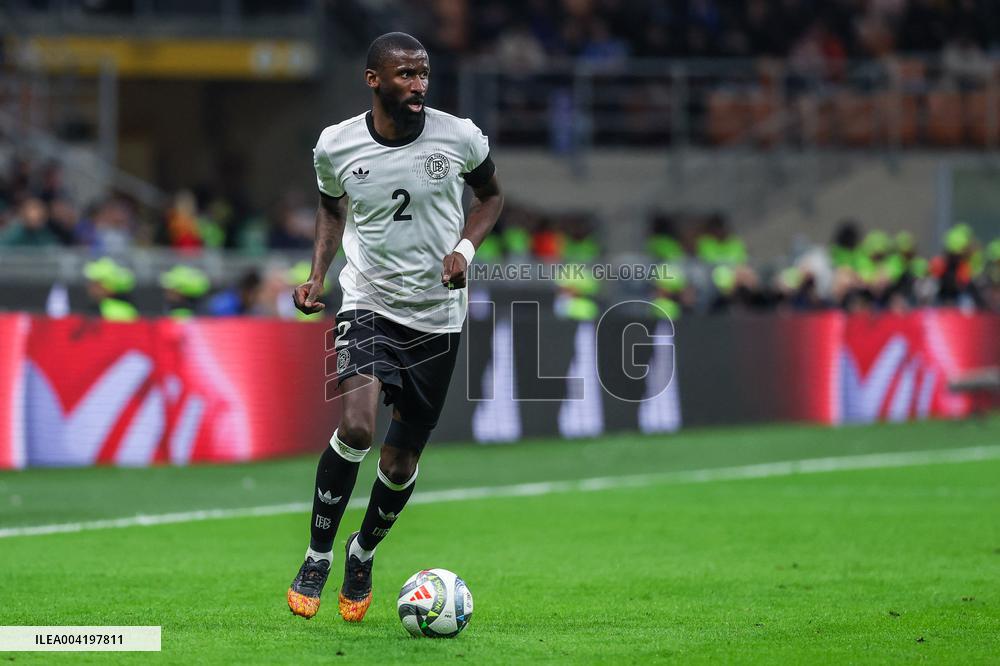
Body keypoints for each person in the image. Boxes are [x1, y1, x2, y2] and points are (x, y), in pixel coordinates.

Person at [286, 32, 504, 623]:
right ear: (373, 79)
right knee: (357, 427)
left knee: (400, 461)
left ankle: (362, 553)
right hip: (368, 300)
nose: (418, 84)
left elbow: (490, 197)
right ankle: (317, 555)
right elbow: (331, 207)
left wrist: (464, 249)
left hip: (437, 315)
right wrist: (317, 276)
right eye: (406, 74)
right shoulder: (336, 144)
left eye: (423, 73)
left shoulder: (459, 137)